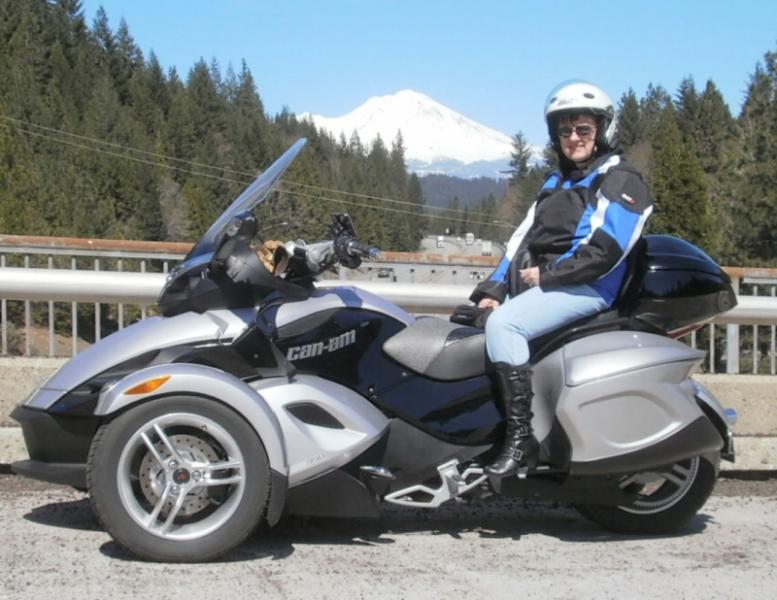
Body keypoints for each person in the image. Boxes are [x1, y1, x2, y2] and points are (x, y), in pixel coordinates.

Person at [453, 81, 654, 478]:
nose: (574, 138)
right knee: (471, 322)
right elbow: (519, 241)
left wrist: (549, 275)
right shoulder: (555, 182)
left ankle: (520, 439)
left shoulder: (620, 179)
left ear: (602, 131)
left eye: (583, 129)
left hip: (589, 287)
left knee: (506, 324)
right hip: (549, 285)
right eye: (565, 131)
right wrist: (492, 291)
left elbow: (607, 248)